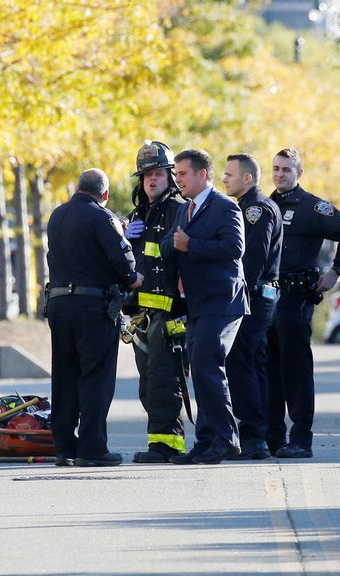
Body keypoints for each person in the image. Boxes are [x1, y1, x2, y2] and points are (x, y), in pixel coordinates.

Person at [266, 148, 340, 459]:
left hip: (295, 296)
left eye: (287, 170)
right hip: (266, 298)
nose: (280, 174)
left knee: (295, 368)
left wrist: (337, 270)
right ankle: (272, 436)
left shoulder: (312, 207)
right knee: (268, 369)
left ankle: (300, 437)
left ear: (299, 174)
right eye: (276, 169)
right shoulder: (265, 205)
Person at [43, 169, 143, 467]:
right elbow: (123, 261)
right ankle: (92, 448)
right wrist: (132, 278)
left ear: (77, 188)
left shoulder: (57, 216)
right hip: (92, 306)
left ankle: (64, 447)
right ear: (105, 194)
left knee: (64, 376)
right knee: (96, 378)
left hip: (59, 305)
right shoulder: (104, 218)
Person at [161, 149, 248, 465]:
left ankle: (226, 438)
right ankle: (207, 441)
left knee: (208, 366)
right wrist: (173, 245)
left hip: (222, 301)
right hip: (197, 303)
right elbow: (169, 243)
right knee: (200, 368)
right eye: (177, 174)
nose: (177, 179)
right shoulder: (185, 211)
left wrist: (190, 246)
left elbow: (235, 248)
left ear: (202, 174)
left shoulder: (225, 208)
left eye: (182, 174)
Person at [123, 141, 189, 464]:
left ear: (170, 176)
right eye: (147, 174)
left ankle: (165, 445)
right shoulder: (138, 214)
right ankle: (164, 441)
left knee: (165, 382)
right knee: (148, 385)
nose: (152, 179)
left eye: (158, 173)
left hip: (169, 314)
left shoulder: (180, 210)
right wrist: (125, 237)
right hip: (141, 317)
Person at [221, 154, 283, 460]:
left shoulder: (256, 209)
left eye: (230, 174)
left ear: (248, 178)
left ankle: (255, 435)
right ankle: (261, 432)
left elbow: (253, 259)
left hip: (254, 295)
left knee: (243, 363)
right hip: (254, 295)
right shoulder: (245, 207)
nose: (224, 179)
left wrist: (237, 291)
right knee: (251, 363)